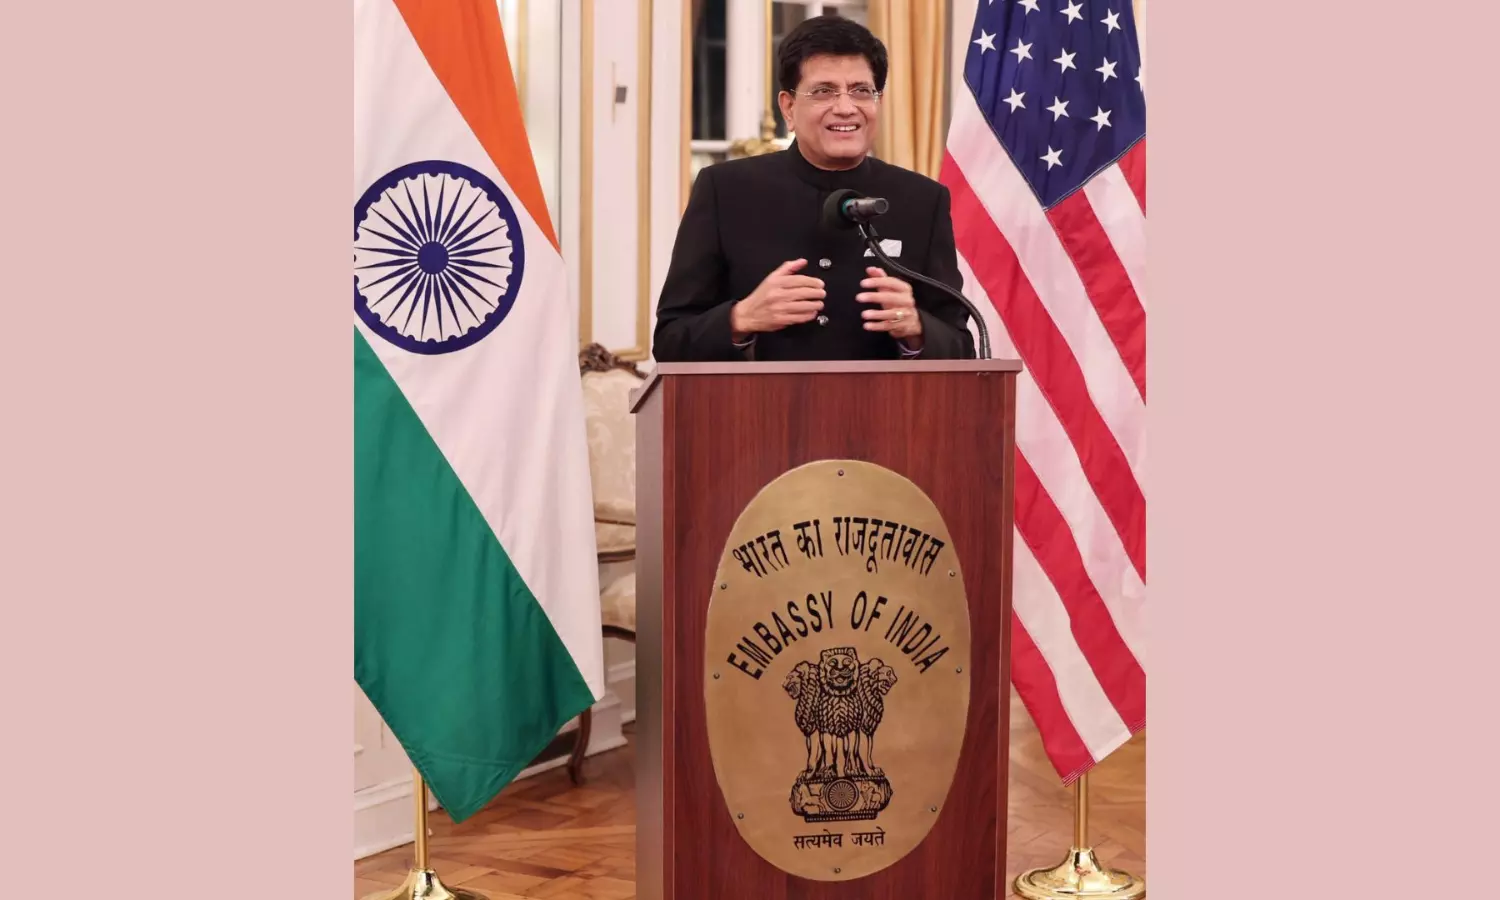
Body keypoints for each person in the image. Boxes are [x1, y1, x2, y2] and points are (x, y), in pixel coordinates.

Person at [652, 14, 975, 362]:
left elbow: (962, 347)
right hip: (760, 398)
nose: (846, 108)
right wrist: (741, 318)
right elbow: (670, 341)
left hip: (884, 399)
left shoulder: (922, 199)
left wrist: (916, 329)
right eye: (823, 92)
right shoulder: (725, 190)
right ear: (788, 108)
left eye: (861, 91)